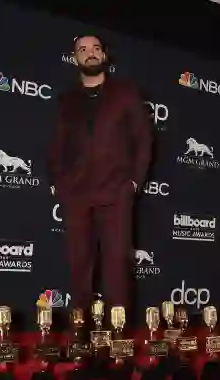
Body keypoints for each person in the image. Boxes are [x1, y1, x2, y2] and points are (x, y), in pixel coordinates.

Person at [47, 35, 153, 315]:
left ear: (105, 55)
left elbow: (143, 139)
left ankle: (118, 340)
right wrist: (57, 182)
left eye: (95, 48)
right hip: (77, 194)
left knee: (117, 267)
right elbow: (57, 144)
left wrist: (134, 182)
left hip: (116, 193)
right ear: (75, 58)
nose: (89, 53)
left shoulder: (126, 93)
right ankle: (80, 335)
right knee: (78, 266)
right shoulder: (65, 99)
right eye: (82, 49)